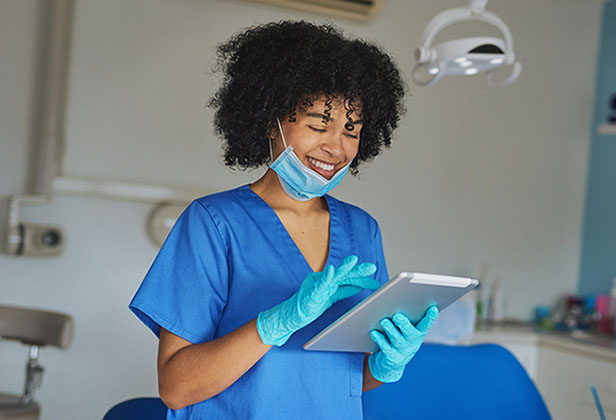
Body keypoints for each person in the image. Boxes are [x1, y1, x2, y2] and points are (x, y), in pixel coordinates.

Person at [129, 21, 439, 419]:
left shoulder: (363, 230)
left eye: (351, 130)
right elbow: (176, 388)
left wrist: (385, 366)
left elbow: (339, 378)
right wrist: (276, 322)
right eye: (317, 124)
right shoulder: (213, 224)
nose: (336, 147)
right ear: (269, 120)